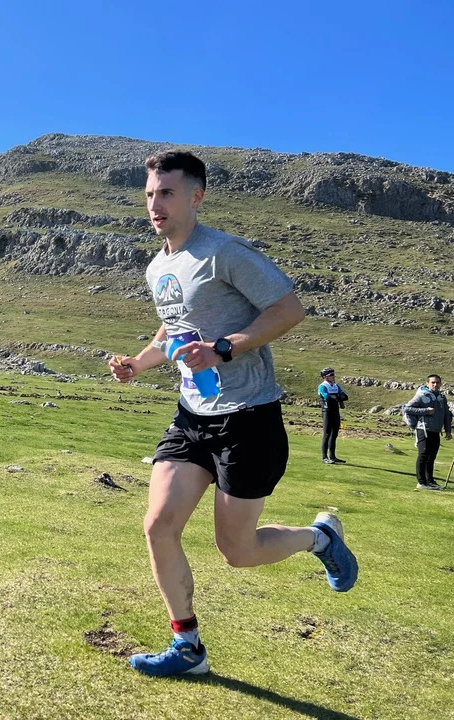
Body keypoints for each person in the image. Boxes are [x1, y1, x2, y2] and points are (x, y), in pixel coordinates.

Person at [109, 151, 358, 678]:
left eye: (167, 193)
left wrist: (223, 349)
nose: (155, 204)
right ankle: (187, 647)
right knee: (158, 526)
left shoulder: (223, 252)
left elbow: (289, 310)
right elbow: (173, 327)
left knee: (238, 551)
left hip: (248, 418)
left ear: (196, 197)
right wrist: (138, 363)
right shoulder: (158, 266)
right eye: (150, 193)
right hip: (191, 416)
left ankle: (320, 538)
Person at [404, 374, 452, 490]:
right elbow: (407, 408)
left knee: (432, 457)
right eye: (433, 382)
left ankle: (430, 481)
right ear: (427, 383)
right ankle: (421, 482)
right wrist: (426, 411)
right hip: (423, 429)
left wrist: (448, 431)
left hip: (436, 431)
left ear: (441, 384)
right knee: (424, 455)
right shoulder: (421, 395)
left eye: (437, 382)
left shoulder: (441, 398)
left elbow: (446, 414)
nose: (435, 385)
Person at [318, 368, 348, 464]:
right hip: (327, 411)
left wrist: (336, 397)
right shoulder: (322, 386)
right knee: (327, 434)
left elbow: (345, 396)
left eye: (333, 375)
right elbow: (327, 397)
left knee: (334, 434)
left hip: (335, 411)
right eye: (331, 375)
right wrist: (337, 397)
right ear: (325, 377)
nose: (333, 377)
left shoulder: (336, 386)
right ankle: (324, 457)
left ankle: (332, 456)